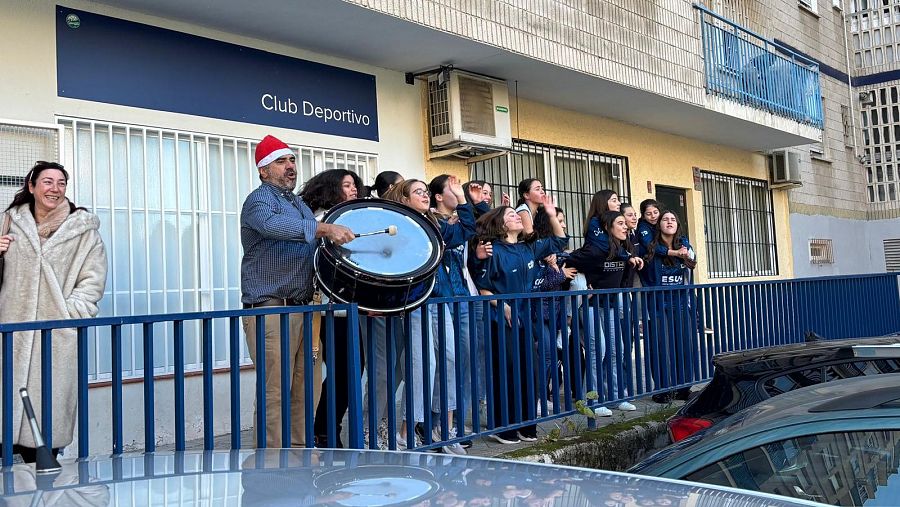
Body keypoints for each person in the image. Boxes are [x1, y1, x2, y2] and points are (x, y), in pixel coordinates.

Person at [240, 135, 354, 448]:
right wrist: (324, 228)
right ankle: (271, 464)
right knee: (275, 391)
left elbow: (314, 243)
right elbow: (272, 225)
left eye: (292, 160)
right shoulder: (259, 200)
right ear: (264, 170)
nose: (290, 166)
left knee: (307, 389)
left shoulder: (297, 203)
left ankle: (301, 458)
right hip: (272, 308)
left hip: (305, 309)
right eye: (281, 161)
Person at [0, 161, 107, 462]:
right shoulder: (8, 223)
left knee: (45, 434)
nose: (55, 189)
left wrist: (68, 313)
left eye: (61, 183)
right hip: (9, 338)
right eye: (47, 182)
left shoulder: (83, 231)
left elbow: (92, 282)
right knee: (4, 419)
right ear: (32, 186)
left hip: (56, 339)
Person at [471, 195, 567, 444]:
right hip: (501, 320)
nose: (517, 217)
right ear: (502, 225)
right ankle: (503, 426)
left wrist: (550, 214)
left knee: (531, 370)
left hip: (526, 318)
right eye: (511, 215)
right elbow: (483, 288)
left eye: (517, 214)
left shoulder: (528, 248)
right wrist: (503, 307)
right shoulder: (493, 250)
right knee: (507, 371)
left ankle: (526, 424)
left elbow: (560, 241)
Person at [298, 169, 364, 448]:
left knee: (349, 369)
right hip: (325, 307)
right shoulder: (321, 220)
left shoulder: (349, 218)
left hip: (345, 307)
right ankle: (324, 430)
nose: (353, 189)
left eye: (354, 185)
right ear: (330, 189)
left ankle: (325, 427)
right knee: (343, 370)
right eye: (346, 185)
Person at [427, 174, 482, 454]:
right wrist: (463, 200)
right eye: (452, 188)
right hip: (441, 298)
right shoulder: (433, 221)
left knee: (463, 360)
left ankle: (452, 423)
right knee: (444, 362)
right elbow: (465, 231)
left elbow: (478, 224)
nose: (459, 192)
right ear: (438, 196)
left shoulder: (457, 220)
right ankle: (436, 424)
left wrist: (467, 202)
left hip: (461, 296)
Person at [568, 211, 643, 414]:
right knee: (598, 349)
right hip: (590, 306)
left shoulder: (624, 250)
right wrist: (582, 282)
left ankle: (615, 397)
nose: (625, 226)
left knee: (617, 349)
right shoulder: (595, 250)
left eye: (625, 223)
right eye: (620, 223)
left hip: (610, 305)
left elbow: (624, 280)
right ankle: (591, 401)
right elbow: (568, 262)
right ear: (608, 227)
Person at [643, 210, 696, 403]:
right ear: (659, 225)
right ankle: (662, 389)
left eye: (673, 219)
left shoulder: (684, 244)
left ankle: (683, 388)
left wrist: (686, 252)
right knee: (660, 346)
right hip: (657, 304)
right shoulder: (652, 246)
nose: (669, 222)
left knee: (683, 345)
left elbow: (692, 262)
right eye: (665, 219)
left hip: (680, 303)